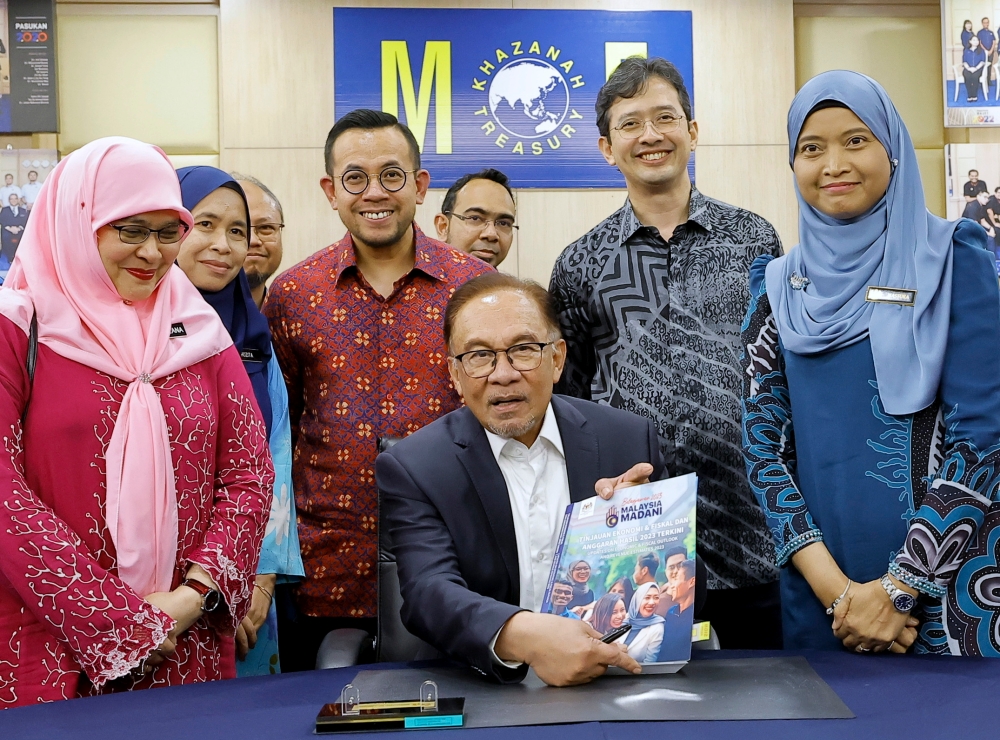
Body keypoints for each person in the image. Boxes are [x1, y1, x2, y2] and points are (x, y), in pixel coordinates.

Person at [0, 137, 272, 708]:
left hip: (185, 644)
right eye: (129, 230)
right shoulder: (17, 328)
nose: (152, 252)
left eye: (168, 231)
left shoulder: (198, 332)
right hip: (49, 642)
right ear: (79, 220)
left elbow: (249, 475)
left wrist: (190, 599)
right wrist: (116, 618)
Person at [742, 70, 1000, 656]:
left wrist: (900, 587)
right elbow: (763, 449)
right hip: (826, 604)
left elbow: (981, 438)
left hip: (950, 593)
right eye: (811, 148)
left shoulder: (955, 258)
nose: (833, 164)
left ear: (893, 149)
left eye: (855, 140)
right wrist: (841, 597)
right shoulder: (777, 286)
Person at [549, 56, 783, 650]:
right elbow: (571, 399)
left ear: (693, 131)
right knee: (645, 698)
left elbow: (779, 371)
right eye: (630, 124)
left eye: (665, 117)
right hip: (636, 535)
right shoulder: (580, 263)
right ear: (607, 147)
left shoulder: (754, 239)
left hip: (749, 523)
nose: (650, 135)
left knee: (762, 696)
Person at [265, 109, 492, 672]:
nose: (375, 193)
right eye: (355, 178)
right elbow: (276, 434)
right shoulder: (293, 294)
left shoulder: (475, 288)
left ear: (418, 186)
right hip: (325, 572)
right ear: (330, 190)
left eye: (392, 176)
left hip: (453, 567)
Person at [377, 272, 665, 685]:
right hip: (485, 683)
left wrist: (646, 528)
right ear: (455, 375)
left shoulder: (627, 440)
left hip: (613, 676)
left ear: (558, 359)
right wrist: (526, 637)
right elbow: (428, 593)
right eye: (479, 356)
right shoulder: (416, 466)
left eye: (524, 350)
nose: (503, 374)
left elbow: (694, 591)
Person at [175, 166, 305, 678]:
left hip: (246, 575)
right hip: (153, 584)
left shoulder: (253, 342)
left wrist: (262, 579)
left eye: (237, 231)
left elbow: (274, 461)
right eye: (204, 225)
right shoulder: (128, 333)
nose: (224, 246)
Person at [434, 168, 516, 268]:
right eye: (475, 218)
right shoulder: (417, 283)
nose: (491, 234)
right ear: (443, 227)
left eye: (503, 223)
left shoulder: (512, 284)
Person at [232, 172, 284, 309]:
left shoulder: (298, 319)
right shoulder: (178, 317)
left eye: (265, 227)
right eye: (236, 230)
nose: (253, 240)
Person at [656, 559, 696, 661]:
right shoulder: (671, 612)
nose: (672, 586)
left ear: (691, 582)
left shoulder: (694, 618)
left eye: (676, 579)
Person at [622, 582, 664, 663]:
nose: (652, 602)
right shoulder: (624, 618)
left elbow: (650, 662)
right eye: (647, 597)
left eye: (656, 597)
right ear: (637, 600)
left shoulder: (657, 627)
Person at [654, 546, 688, 616]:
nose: (676, 571)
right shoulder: (656, 602)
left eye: (680, 565)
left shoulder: (696, 593)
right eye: (671, 567)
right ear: (666, 571)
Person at [0, 192, 26, 270]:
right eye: (12, 199)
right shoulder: (4, 210)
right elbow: (2, 220)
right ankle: (10, 258)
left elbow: (25, 221)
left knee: (23, 237)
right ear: (9, 200)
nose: (13, 200)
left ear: (18, 200)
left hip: (19, 230)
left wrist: (19, 228)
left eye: (15, 199)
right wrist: (10, 228)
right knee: (6, 237)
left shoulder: (23, 210)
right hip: (8, 230)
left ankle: (21, 258)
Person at [963, 36, 987, 102]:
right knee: (967, 76)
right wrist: (969, 68)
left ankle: (974, 95)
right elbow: (964, 61)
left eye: (977, 40)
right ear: (970, 41)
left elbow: (982, 62)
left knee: (974, 76)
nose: (976, 42)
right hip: (968, 68)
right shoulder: (966, 50)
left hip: (978, 69)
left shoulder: (981, 51)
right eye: (974, 40)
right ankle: (969, 95)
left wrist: (975, 68)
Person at [980, 18, 997, 91]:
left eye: (987, 22)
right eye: (984, 22)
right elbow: (979, 43)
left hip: (991, 52)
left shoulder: (991, 32)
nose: (986, 24)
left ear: (988, 23)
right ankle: (983, 82)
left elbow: (994, 42)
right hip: (983, 53)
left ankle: (989, 81)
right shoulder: (979, 32)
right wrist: (986, 51)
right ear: (982, 23)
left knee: (989, 66)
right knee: (983, 67)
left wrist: (991, 50)